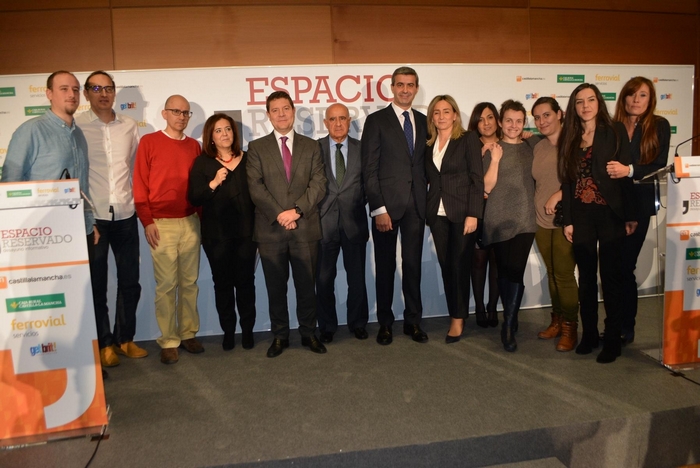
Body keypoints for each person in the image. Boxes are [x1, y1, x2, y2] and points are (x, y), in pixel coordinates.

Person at [1, 70, 101, 377]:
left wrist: (90, 221)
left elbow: (80, 185)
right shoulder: (30, 131)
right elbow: (10, 183)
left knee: (74, 301)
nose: (71, 94)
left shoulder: (78, 134)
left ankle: (76, 361)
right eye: (63, 89)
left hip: (76, 232)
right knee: (44, 305)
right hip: (40, 237)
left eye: (74, 89)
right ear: (48, 94)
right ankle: (43, 366)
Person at [559, 83, 637, 364]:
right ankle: (589, 334)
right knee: (587, 279)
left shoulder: (614, 130)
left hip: (609, 213)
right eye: (579, 101)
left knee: (612, 278)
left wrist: (630, 215)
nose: (585, 106)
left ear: (599, 102)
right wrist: (568, 220)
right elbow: (567, 183)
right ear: (574, 107)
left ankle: (612, 338)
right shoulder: (569, 135)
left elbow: (625, 175)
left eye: (590, 100)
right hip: (581, 215)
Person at [247, 91, 328, 358]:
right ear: (268, 114)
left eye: (285, 108)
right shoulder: (257, 148)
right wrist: (280, 214)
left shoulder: (311, 146)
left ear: (293, 111)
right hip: (271, 230)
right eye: (275, 110)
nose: (281, 114)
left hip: (305, 228)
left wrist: (296, 212)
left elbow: (319, 185)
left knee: (307, 286)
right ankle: (280, 336)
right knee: (275, 288)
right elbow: (255, 188)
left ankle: (308, 333)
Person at [76, 71, 147, 369]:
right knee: (97, 283)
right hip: (94, 218)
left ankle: (124, 338)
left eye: (108, 88)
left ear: (115, 93)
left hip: (126, 214)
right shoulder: (77, 126)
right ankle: (104, 342)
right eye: (96, 88)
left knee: (130, 281)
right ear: (86, 93)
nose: (103, 93)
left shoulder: (130, 126)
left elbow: (134, 168)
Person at [133, 95, 203, 365]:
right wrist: (147, 220)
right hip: (160, 224)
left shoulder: (194, 146)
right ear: (164, 113)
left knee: (189, 283)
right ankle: (169, 340)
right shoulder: (148, 142)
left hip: (190, 222)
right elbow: (139, 184)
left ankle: (188, 334)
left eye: (186, 113)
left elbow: (198, 188)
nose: (182, 116)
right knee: (166, 285)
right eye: (176, 111)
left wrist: (202, 221)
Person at [361, 66, 428, 345]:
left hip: (417, 207)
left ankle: (413, 321)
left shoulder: (425, 122)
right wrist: (379, 209)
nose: (405, 90)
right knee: (386, 266)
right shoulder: (376, 120)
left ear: (416, 88)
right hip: (386, 208)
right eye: (400, 84)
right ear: (392, 87)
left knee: (413, 266)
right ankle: (385, 323)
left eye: (410, 85)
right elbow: (369, 169)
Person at [609, 77, 670, 345]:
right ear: (623, 98)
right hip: (611, 206)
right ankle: (612, 325)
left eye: (642, 95)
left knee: (625, 266)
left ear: (650, 99)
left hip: (639, 206)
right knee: (611, 268)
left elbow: (658, 164)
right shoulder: (611, 127)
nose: (636, 100)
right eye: (632, 95)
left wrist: (629, 170)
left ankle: (626, 325)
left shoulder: (659, 125)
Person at [189, 113, 257, 351]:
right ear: (211, 137)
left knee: (246, 283)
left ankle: (248, 331)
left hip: (247, 234)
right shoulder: (203, 163)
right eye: (218, 131)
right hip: (216, 236)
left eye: (228, 129)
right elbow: (194, 196)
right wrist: (214, 182)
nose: (224, 134)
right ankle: (228, 332)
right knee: (223, 285)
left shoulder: (249, 159)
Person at [425, 95, 483, 343]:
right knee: (447, 267)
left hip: (462, 214)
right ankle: (455, 313)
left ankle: (458, 319)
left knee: (459, 266)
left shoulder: (467, 139)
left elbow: (476, 177)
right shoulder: (428, 144)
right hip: (436, 215)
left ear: (455, 115)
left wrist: (474, 213)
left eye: (446, 111)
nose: (441, 116)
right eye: (436, 112)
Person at [482, 100, 537, 352]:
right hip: (498, 218)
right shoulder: (490, 149)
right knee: (504, 271)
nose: (513, 125)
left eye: (519, 120)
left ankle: (508, 324)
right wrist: (494, 159)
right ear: (501, 122)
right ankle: (510, 319)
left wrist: (531, 134)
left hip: (526, 218)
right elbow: (486, 187)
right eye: (508, 120)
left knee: (515, 269)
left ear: (524, 122)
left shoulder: (532, 146)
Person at [316, 103, 370, 343]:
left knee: (357, 278)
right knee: (324, 280)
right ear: (325, 123)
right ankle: (327, 326)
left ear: (349, 121)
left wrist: (356, 202)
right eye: (332, 119)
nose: (337, 124)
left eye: (342, 118)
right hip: (323, 224)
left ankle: (358, 323)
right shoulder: (313, 149)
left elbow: (370, 183)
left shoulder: (363, 149)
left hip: (354, 222)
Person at [530, 97, 579, 352]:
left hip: (565, 220)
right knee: (551, 273)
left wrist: (560, 194)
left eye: (546, 115)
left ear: (559, 114)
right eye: (537, 117)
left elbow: (583, 177)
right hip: (541, 220)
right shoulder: (538, 147)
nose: (542, 121)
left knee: (563, 274)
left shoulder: (573, 144)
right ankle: (557, 321)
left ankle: (571, 327)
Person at [467, 103, 501, 328]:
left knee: (497, 264)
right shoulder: (469, 145)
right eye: (481, 119)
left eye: (490, 117)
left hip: (502, 211)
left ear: (498, 120)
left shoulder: (509, 142)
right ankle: (479, 307)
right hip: (478, 212)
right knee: (478, 263)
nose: (486, 123)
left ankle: (492, 307)